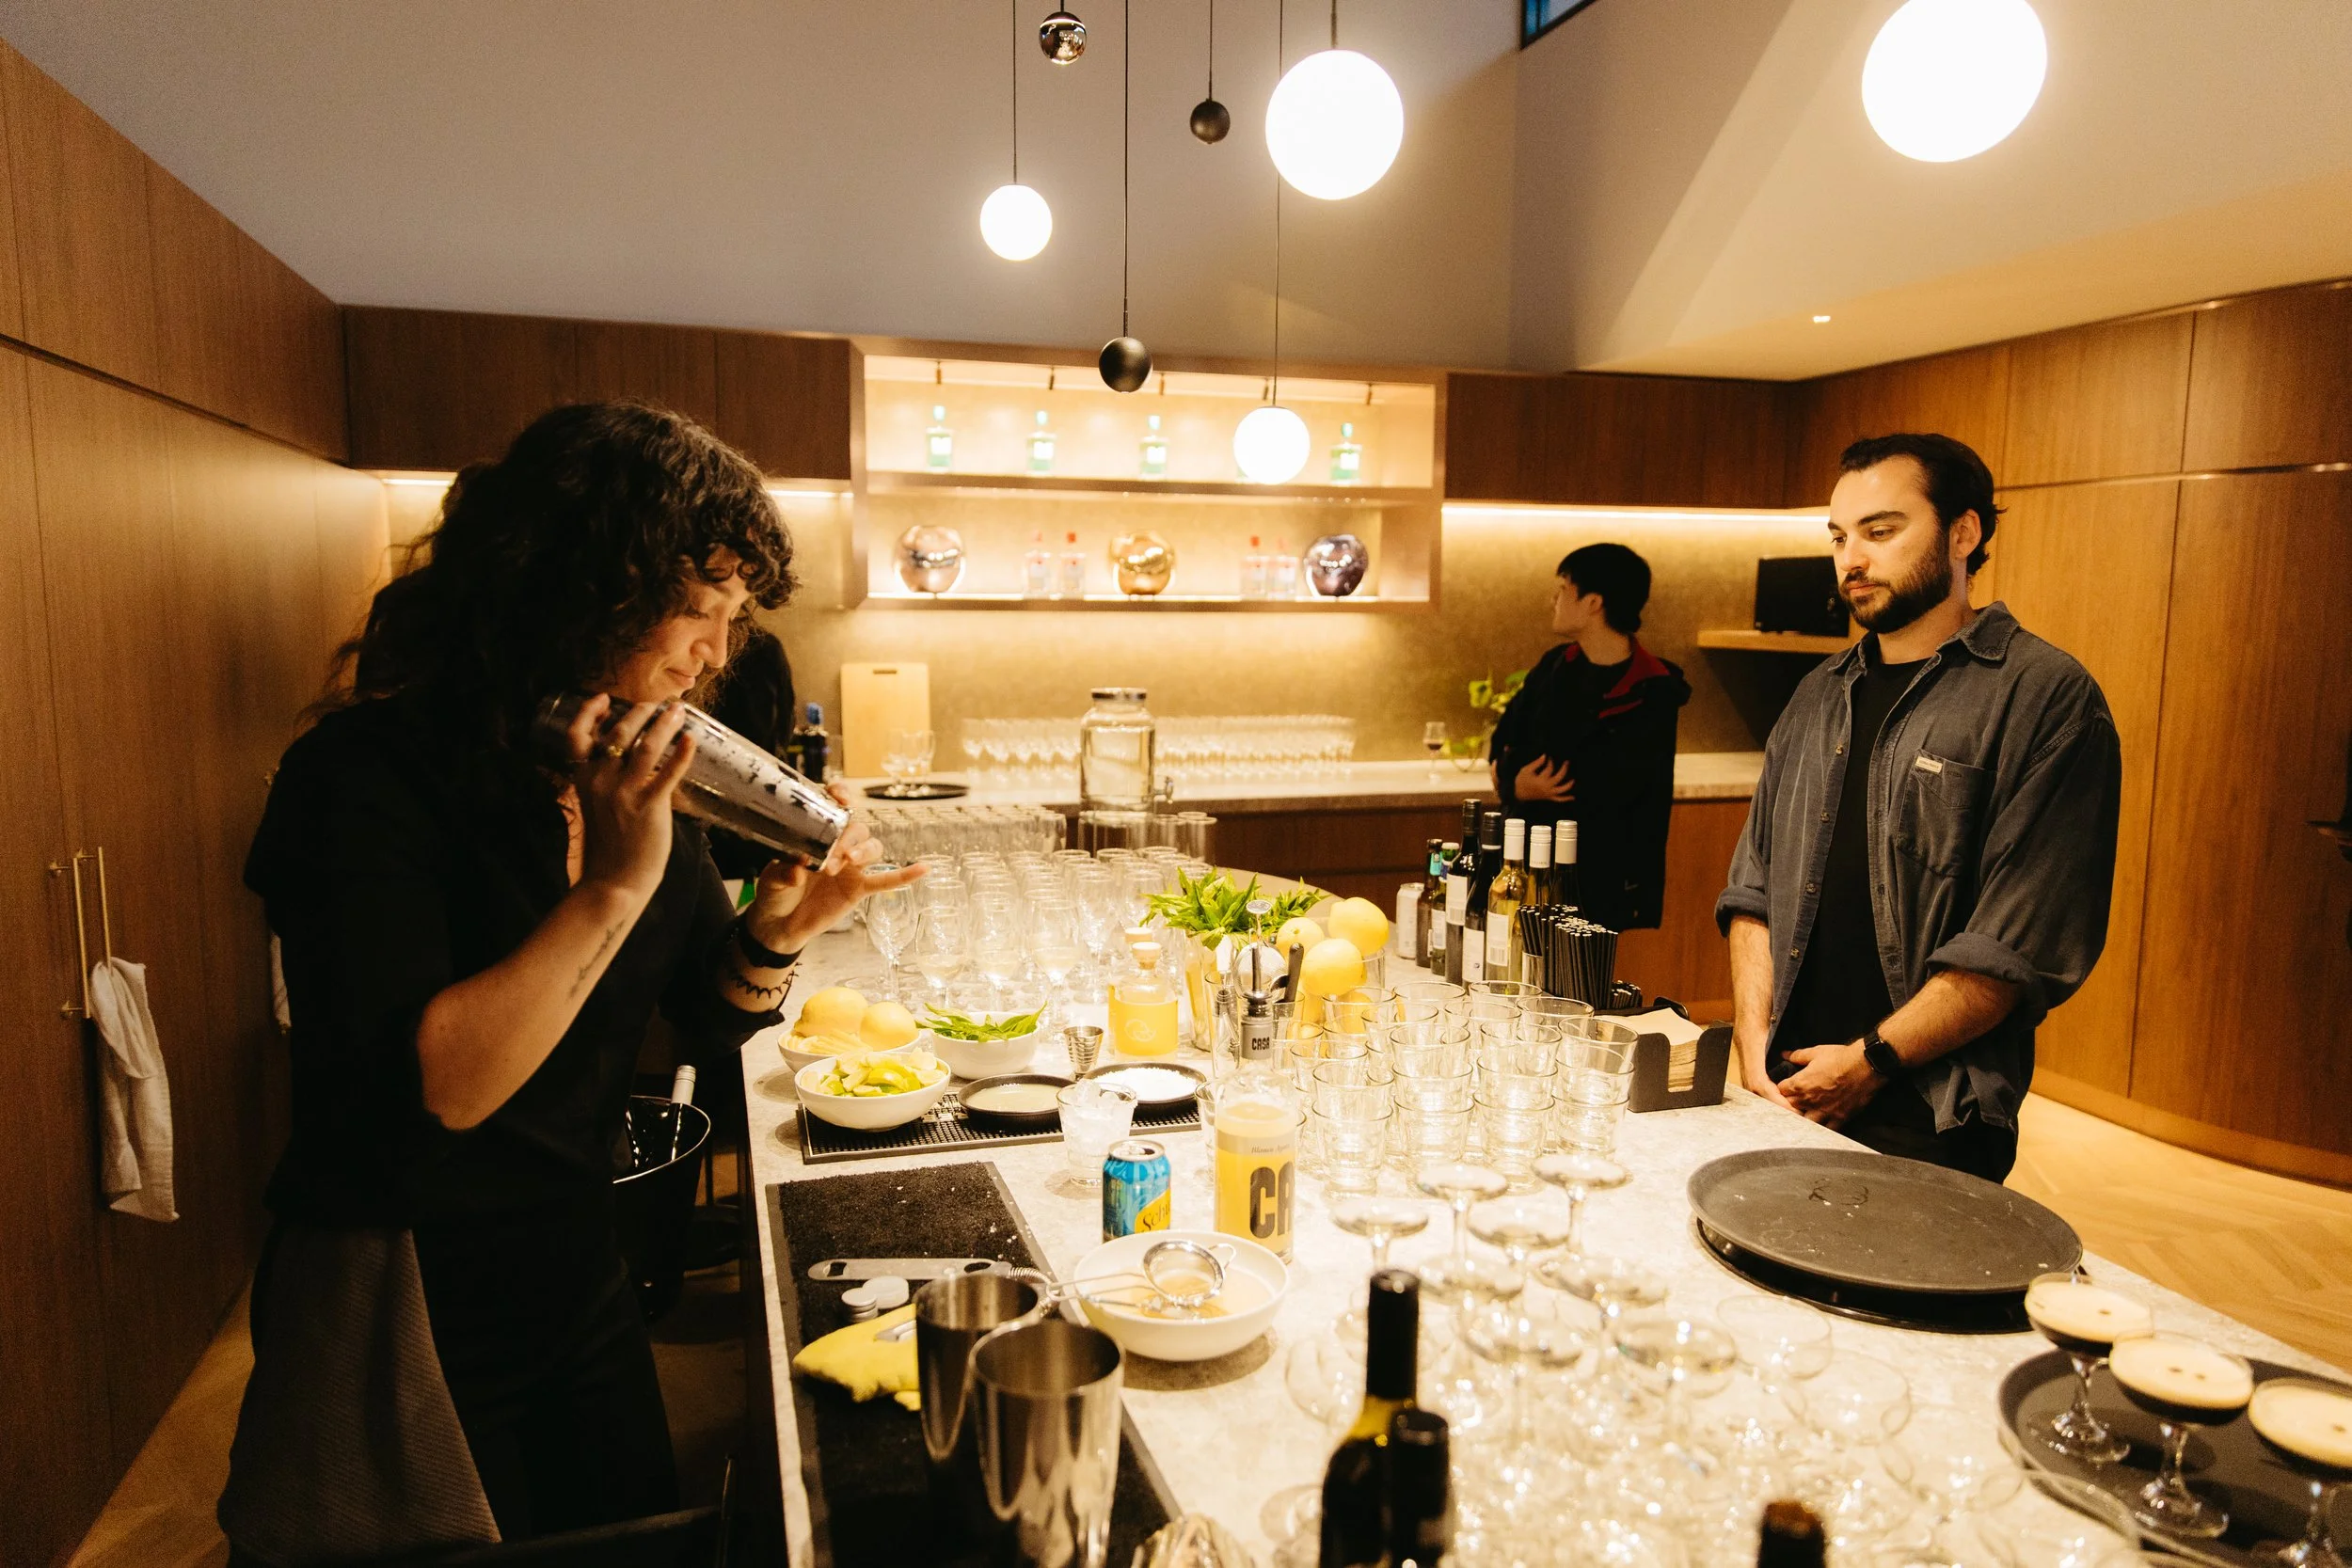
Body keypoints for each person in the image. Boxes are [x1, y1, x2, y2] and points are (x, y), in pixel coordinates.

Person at [221, 403, 921, 1557]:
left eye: (731, 620)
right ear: (574, 582)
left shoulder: (617, 769)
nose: (711, 653)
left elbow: (707, 1008)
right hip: (410, 1293)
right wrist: (609, 887)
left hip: (573, 1264)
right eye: (694, 609)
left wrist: (787, 926)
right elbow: (433, 1095)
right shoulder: (364, 777)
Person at [1716, 433, 2122, 1182]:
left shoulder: (2045, 698)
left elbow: (2013, 947)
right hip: (1778, 1092)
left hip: (1929, 1115)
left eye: (1881, 530)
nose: (1852, 560)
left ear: (1963, 532)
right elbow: (1753, 889)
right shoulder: (1816, 696)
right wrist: (1751, 1037)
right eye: (1840, 537)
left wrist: (1868, 1061)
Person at [1488, 542, 1690, 931]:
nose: (1554, 599)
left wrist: (1530, 775)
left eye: (1563, 588)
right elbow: (1502, 744)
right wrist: (1518, 784)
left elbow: (1631, 790)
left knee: (1583, 984)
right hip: (1531, 863)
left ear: (1593, 602)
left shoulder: (1652, 688)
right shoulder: (1555, 666)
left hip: (1603, 876)